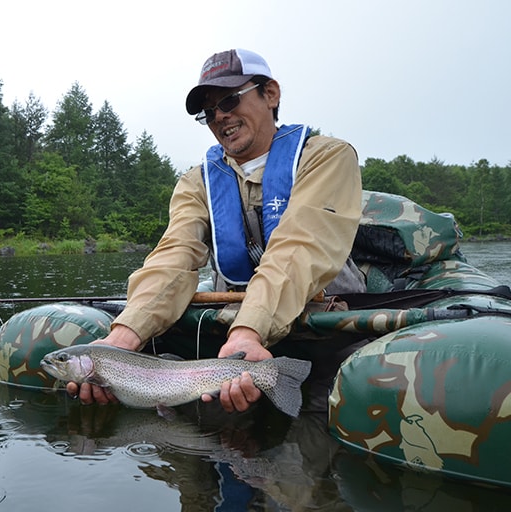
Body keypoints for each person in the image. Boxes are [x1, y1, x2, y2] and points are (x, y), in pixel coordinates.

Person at [67, 48, 364, 413]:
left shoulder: (326, 157)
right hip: (234, 346)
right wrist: (119, 342)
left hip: (324, 331)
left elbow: (300, 249)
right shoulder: (196, 183)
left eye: (229, 99)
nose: (220, 116)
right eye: (209, 112)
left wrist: (247, 332)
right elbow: (173, 258)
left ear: (270, 94)